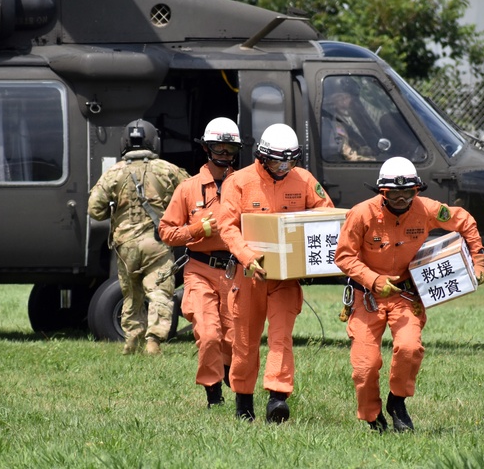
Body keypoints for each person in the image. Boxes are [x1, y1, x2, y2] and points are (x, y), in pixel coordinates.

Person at [334, 157, 484, 432]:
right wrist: (374, 280)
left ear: (418, 190)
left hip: (406, 295)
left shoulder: (427, 210)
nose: (402, 199)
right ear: (383, 192)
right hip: (366, 296)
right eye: (395, 193)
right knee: (365, 366)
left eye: (409, 193)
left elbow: (465, 221)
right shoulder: (361, 214)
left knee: (409, 348)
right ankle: (371, 415)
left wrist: (479, 261)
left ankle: (398, 401)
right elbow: (343, 256)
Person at [217, 123, 334, 423]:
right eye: (276, 161)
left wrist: (310, 259)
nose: (283, 167)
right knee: (244, 341)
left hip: (286, 278)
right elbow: (227, 226)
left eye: (289, 161)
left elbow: (326, 215)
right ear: (261, 157)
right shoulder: (239, 182)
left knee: (281, 338)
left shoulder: (304, 179)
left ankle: (277, 399)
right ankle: (243, 401)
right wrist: (247, 256)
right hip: (249, 275)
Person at [159, 117, 242, 408]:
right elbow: (166, 232)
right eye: (218, 147)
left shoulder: (244, 185)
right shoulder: (188, 189)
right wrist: (196, 230)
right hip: (199, 271)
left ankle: (231, 373)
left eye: (229, 148)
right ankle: (212, 393)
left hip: (235, 271)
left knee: (234, 338)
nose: (223, 153)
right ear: (206, 148)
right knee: (208, 335)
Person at [88, 119, 190, 356]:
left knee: (131, 295)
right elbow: (191, 196)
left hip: (126, 247)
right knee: (159, 293)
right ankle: (154, 341)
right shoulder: (169, 170)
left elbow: (95, 209)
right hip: (157, 243)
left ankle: (131, 340)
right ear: (154, 141)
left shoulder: (113, 172)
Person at [321, 76, 380, 162]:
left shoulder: (345, 120)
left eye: (346, 98)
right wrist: (373, 160)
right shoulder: (331, 124)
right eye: (339, 98)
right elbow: (349, 155)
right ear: (331, 101)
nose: (344, 103)